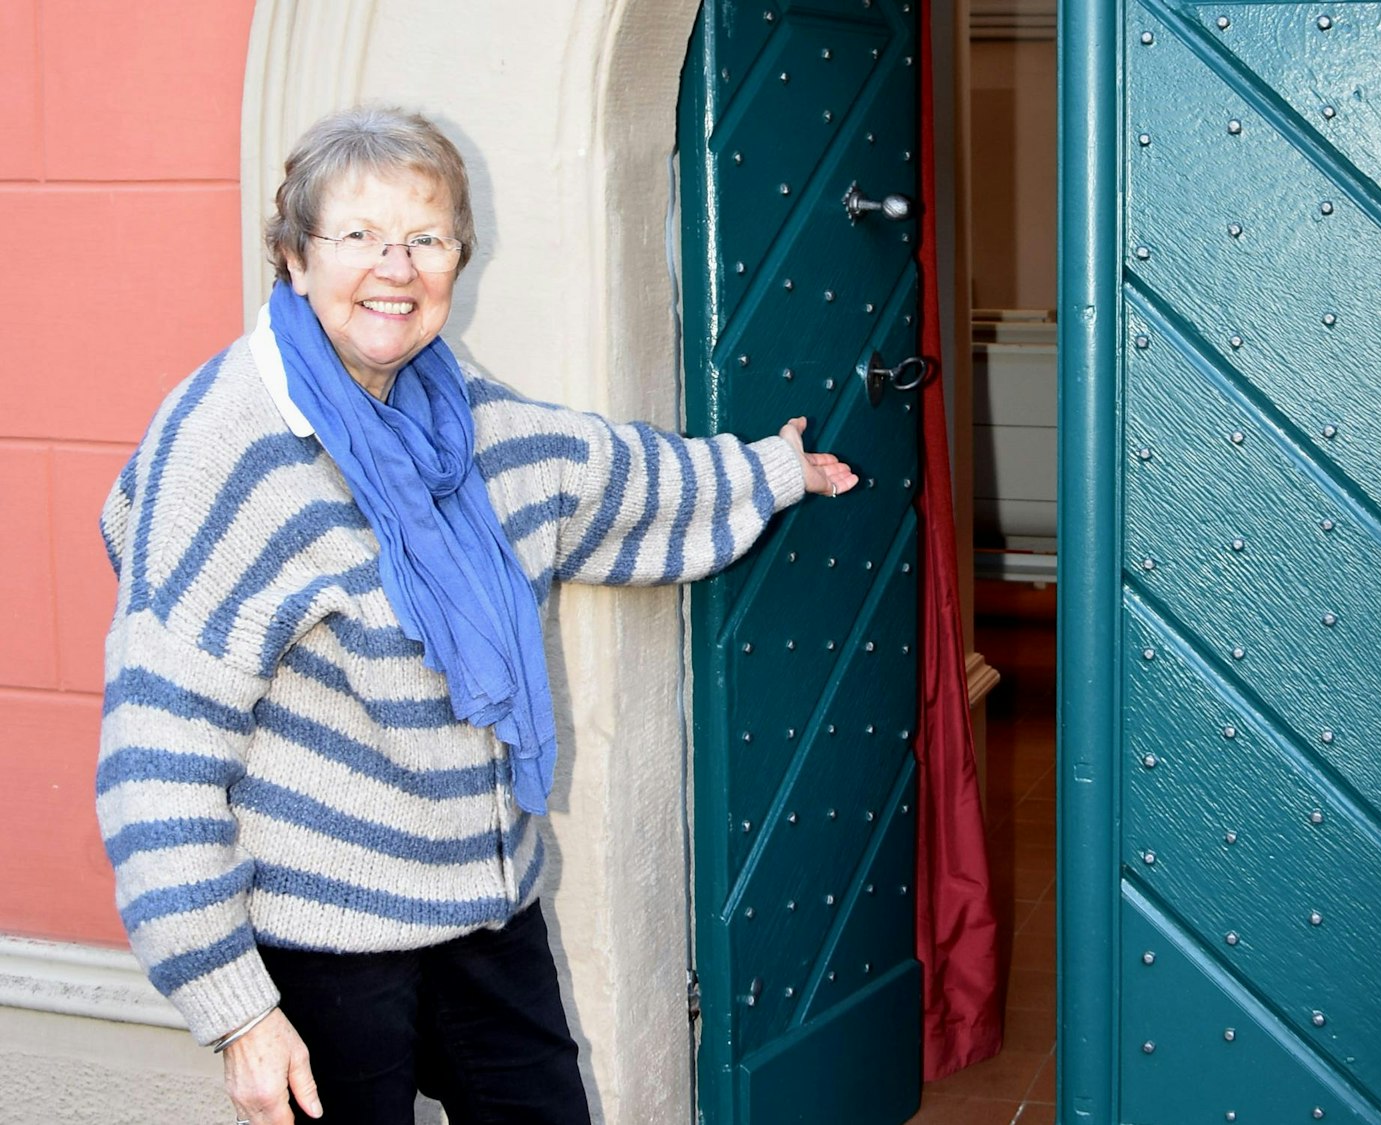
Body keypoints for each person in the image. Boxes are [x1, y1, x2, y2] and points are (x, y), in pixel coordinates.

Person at [93, 105, 856, 1125]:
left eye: (426, 237)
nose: (394, 267)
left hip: (482, 906)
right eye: (356, 236)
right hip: (324, 939)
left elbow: (602, 476)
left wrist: (767, 471)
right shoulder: (230, 445)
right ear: (292, 257)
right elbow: (157, 756)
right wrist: (237, 1012)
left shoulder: (460, 413)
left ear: (460, 258)